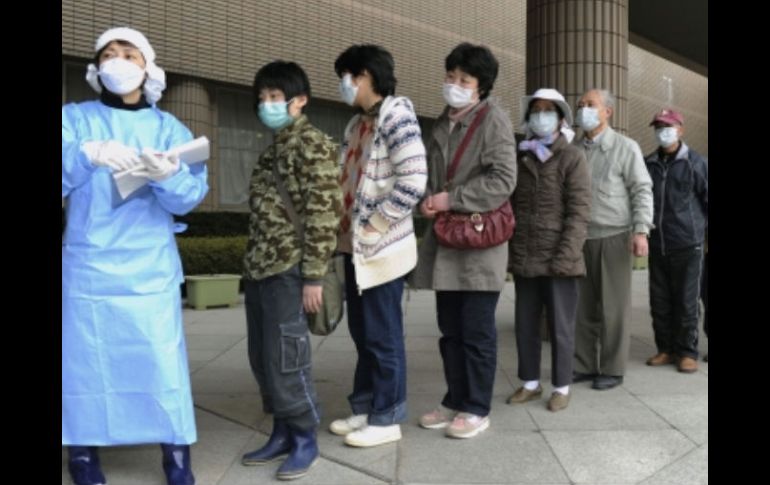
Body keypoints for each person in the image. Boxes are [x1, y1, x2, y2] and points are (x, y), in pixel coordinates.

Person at [62, 27, 209, 485]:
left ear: (149, 68)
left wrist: (168, 175)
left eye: (129, 54)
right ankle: (83, 453)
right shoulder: (74, 119)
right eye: (109, 54)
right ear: (96, 68)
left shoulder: (169, 128)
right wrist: (87, 154)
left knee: (159, 359)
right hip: (90, 263)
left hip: (149, 267)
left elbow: (187, 198)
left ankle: (176, 452)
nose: (118, 61)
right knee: (86, 361)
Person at [240, 61, 342, 480]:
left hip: (289, 270)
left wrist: (314, 276)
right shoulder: (273, 149)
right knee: (263, 358)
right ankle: (282, 431)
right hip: (262, 269)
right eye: (262, 97)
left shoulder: (312, 145)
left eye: (275, 97)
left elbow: (324, 214)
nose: (267, 104)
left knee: (287, 358)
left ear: (299, 101)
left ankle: (304, 436)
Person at [411, 43, 517, 437]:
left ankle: (476, 407)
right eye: (450, 76)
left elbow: (504, 180)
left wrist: (450, 199)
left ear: (481, 87)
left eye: (464, 80)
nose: (454, 85)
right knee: (450, 330)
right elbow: (432, 176)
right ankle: (454, 399)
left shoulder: (494, 119)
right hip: (446, 240)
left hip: (478, 244)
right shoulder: (443, 120)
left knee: (475, 331)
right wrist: (428, 199)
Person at [328, 44, 427, 447]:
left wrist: (376, 225)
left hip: (381, 249)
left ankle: (387, 417)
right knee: (363, 333)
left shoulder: (397, 117)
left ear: (365, 75)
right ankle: (365, 406)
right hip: (355, 249)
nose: (343, 85)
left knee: (383, 335)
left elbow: (414, 180)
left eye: (346, 76)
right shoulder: (358, 125)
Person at [506, 88, 590, 412]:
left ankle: (562, 386)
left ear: (560, 118)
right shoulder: (522, 155)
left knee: (561, 327)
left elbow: (580, 211)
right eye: (536, 110)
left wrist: (566, 257)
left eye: (548, 110)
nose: (541, 116)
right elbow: (512, 207)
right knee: (525, 324)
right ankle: (529, 382)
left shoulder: (572, 157)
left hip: (560, 259)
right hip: (526, 256)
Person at [572, 89, 653, 390]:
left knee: (613, 307)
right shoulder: (573, 148)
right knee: (581, 307)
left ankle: (612, 367)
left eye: (590, 105)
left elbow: (641, 189)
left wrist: (641, 230)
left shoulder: (625, 147)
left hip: (614, 235)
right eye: (580, 106)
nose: (583, 110)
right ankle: (582, 364)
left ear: (608, 111)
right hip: (579, 237)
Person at [643, 109, 708, 373]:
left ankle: (687, 351)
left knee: (686, 300)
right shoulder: (648, 163)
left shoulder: (696, 162)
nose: (663, 131)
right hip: (658, 243)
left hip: (688, 244)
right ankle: (666, 349)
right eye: (658, 126)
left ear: (680, 129)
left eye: (668, 126)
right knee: (659, 300)